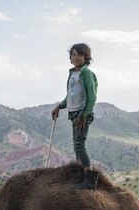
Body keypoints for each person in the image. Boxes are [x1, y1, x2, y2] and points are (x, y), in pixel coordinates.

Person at [51, 43, 98, 190]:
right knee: (76, 146)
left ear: (86, 57)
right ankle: (81, 175)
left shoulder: (86, 73)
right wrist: (59, 106)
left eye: (79, 54)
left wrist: (84, 115)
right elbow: (70, 95)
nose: (76, 57)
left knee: (79, 144)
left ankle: (90, 180)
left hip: (81, 114)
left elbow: (92, 96)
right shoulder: (72, 73)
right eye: (73, 55)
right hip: (74, 114)